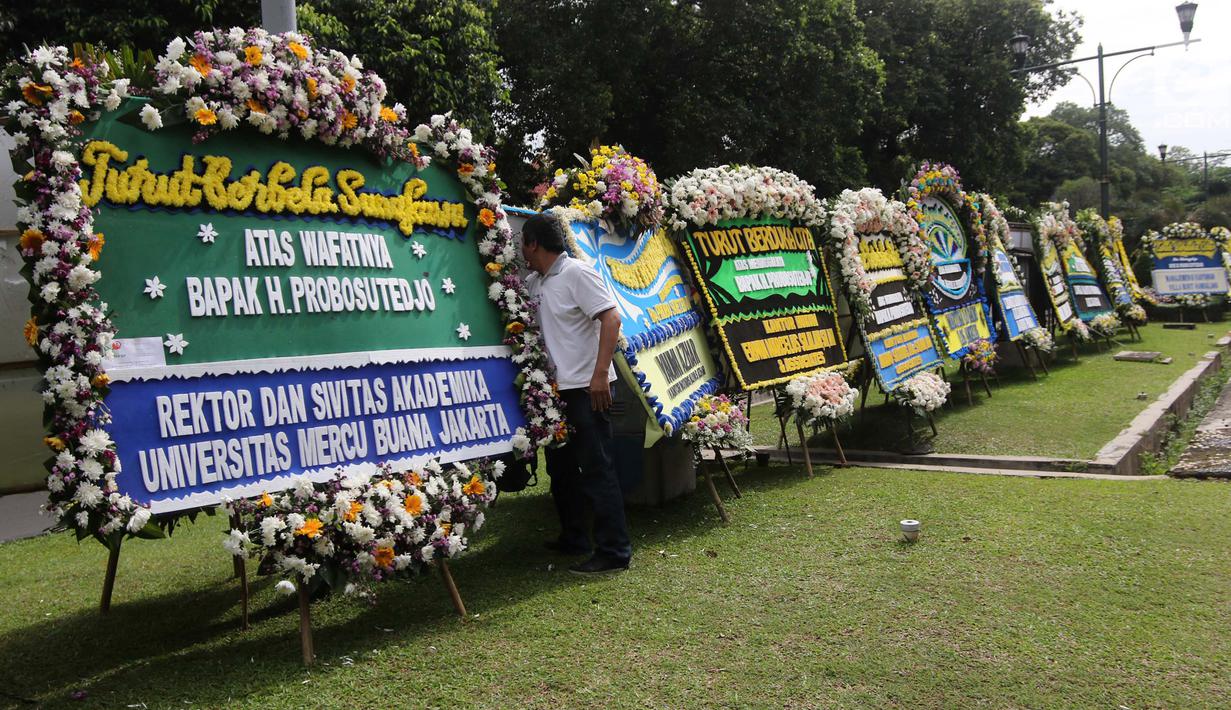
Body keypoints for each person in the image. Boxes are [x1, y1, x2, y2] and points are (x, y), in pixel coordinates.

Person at [521, 212, 632, 574]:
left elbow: (611, 319)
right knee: (561, 468)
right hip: (554, 394)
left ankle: (614, 552)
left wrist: (600, 374)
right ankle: (575, 537)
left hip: (588, 389)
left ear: (534, 243)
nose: (521, 249)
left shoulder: (577, 274)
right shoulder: (536, 282)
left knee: (597, 467)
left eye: (523, 242)